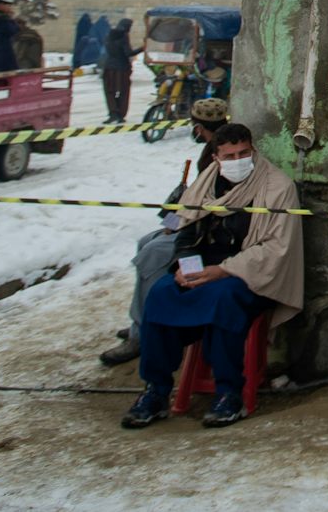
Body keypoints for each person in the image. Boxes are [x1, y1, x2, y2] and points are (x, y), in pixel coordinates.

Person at [121, 122, 303, 429]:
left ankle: (228, 392)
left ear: (253, 150)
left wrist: (224, 270)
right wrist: (185, 269)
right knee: (162, 293)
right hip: (203, 268)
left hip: (247, 274)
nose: (237, 161)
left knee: (224, 299)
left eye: (243, 153)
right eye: (229, 156)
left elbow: (276, 248)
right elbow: (186, 231)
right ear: (216, 158)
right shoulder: (206, 183)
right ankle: (156, 390)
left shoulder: (277, 187)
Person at [98, 98, 230, 366]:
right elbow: (192, 199)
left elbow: (201, 206)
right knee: (146, 241)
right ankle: (141, 317)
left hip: (210, 236)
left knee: (152, 253)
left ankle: (142, 333)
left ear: (198, 127)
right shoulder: (210, 151)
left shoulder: (219, 154)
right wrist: (171, 224)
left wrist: (176, 226)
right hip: (194, 224)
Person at [101, 18, 136, 124]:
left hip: (109, 68)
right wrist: (143, 48)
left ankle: (113, 113)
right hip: (122, 68)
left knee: (110, 92)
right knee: (123, 92)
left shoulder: (109, 35)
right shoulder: (124, 36)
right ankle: (120, 114)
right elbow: (128, 53)